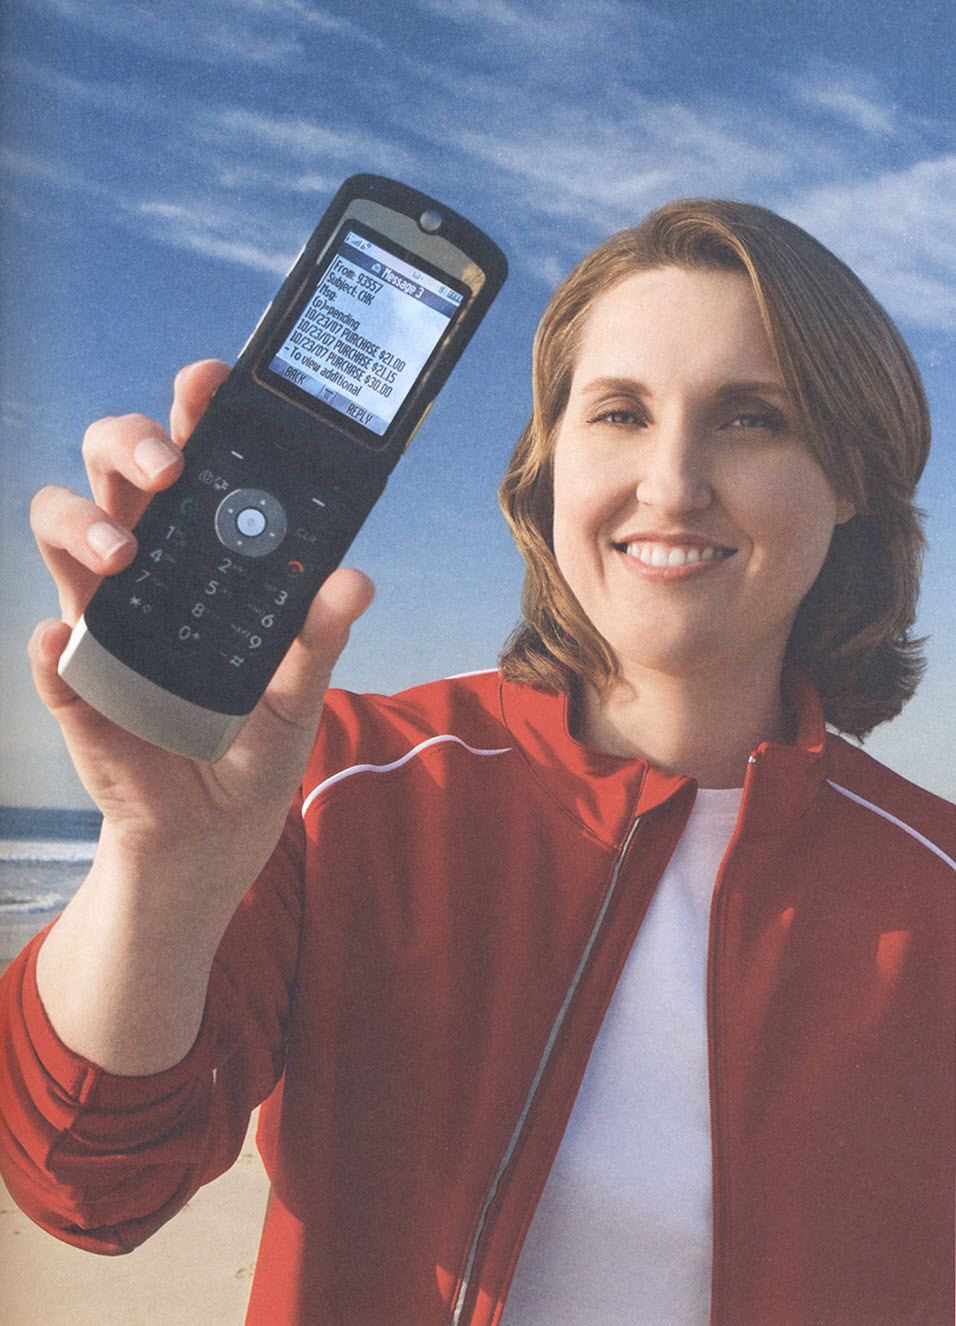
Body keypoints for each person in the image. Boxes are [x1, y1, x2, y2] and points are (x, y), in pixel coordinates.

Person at [0, 199, 952, 1326]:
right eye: (616, 414)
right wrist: (161, 866)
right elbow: (89, 1183)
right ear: (547, 469)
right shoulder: (339, 784)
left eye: (750, 419)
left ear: (848, 479)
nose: (672, 481)